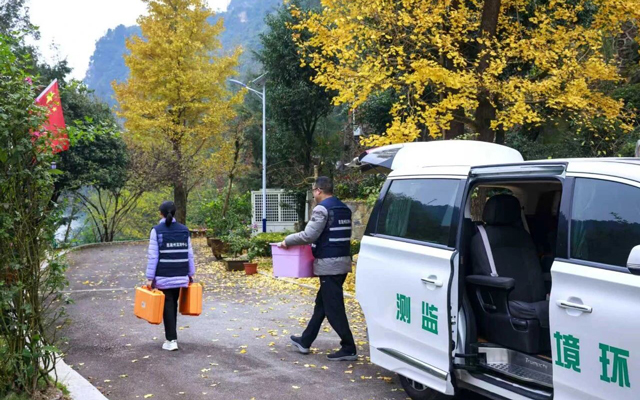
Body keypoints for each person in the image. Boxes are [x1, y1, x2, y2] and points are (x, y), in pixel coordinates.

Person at [280, 176, 357, 361]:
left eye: (314, 191)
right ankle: (305, 341)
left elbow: (309, 235)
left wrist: (287, 241)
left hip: (329, 265)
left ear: (318, 191)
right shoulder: (343, 208)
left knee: (333, 308)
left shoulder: (322, 209)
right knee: (322, 304)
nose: (313, 194)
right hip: (342, 262)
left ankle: (349, 347)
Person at [145, 201, 195, 351]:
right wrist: (190, 274)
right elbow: (189, 254)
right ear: (174, 213)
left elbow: (153, 256)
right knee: (172, 305)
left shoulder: (156, 231)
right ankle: (172, 338)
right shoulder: (184, 230)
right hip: (180, 274)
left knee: (168, 306)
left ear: (160, 213)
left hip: (164, 275)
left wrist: (149, 278)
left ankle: (171, 340)